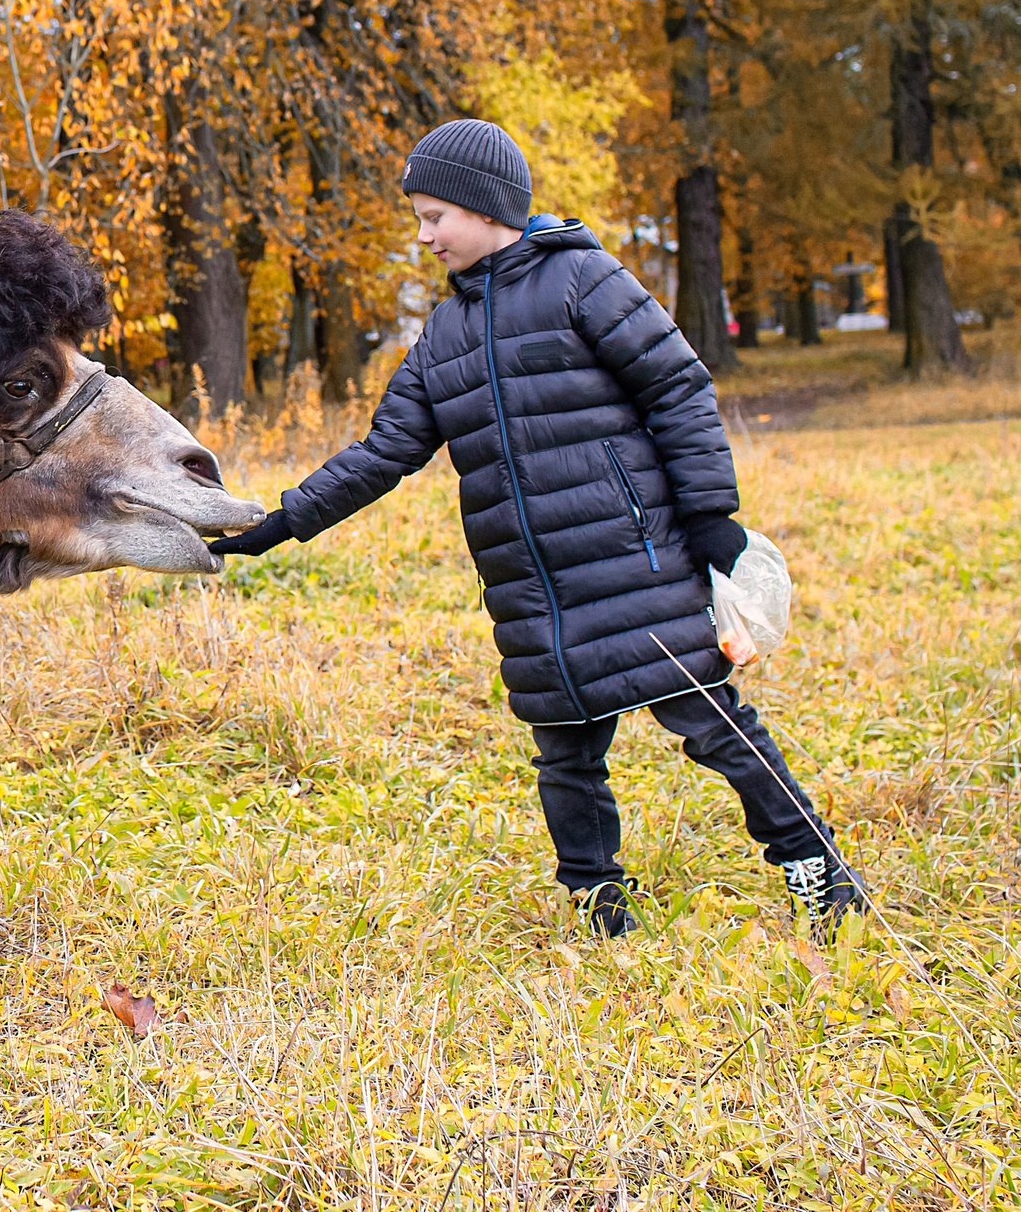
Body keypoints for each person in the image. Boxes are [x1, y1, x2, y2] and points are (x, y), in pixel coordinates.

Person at [211, 119, 862, 938]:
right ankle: (600, 909)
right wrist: (277, 521)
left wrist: (711, 519)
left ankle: (818, 872)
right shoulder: (442, 336)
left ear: (487, 209)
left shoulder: (583, 281)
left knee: (716, 726)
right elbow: (383, 452)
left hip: (636, 565)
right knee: (566, 760)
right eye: (418, 215)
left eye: (434, 213)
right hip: (533, 593)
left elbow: (679, 390)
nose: (424, 234)